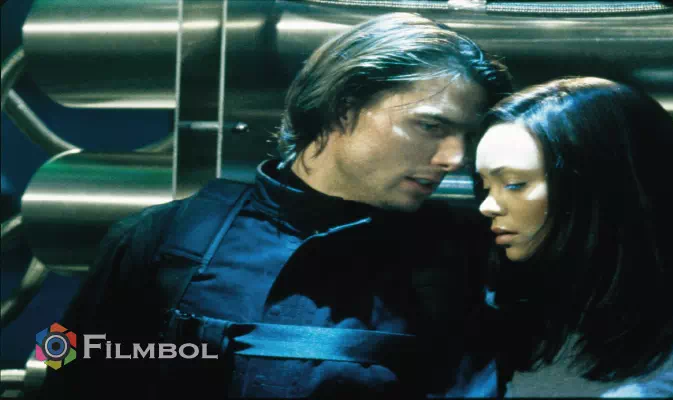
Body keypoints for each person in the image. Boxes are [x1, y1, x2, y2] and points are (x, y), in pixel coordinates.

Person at [38, 12, 512, 399]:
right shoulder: (163, 238)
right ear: (343, 107)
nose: (455, 158)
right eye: (431, 126)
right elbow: (64, 366)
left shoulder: (459, 262)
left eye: (466, 136)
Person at [473, 77, 673, 397]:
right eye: (485, 186)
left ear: (600, 188)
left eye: (514, 184)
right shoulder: (528, 326)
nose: (487, 206)